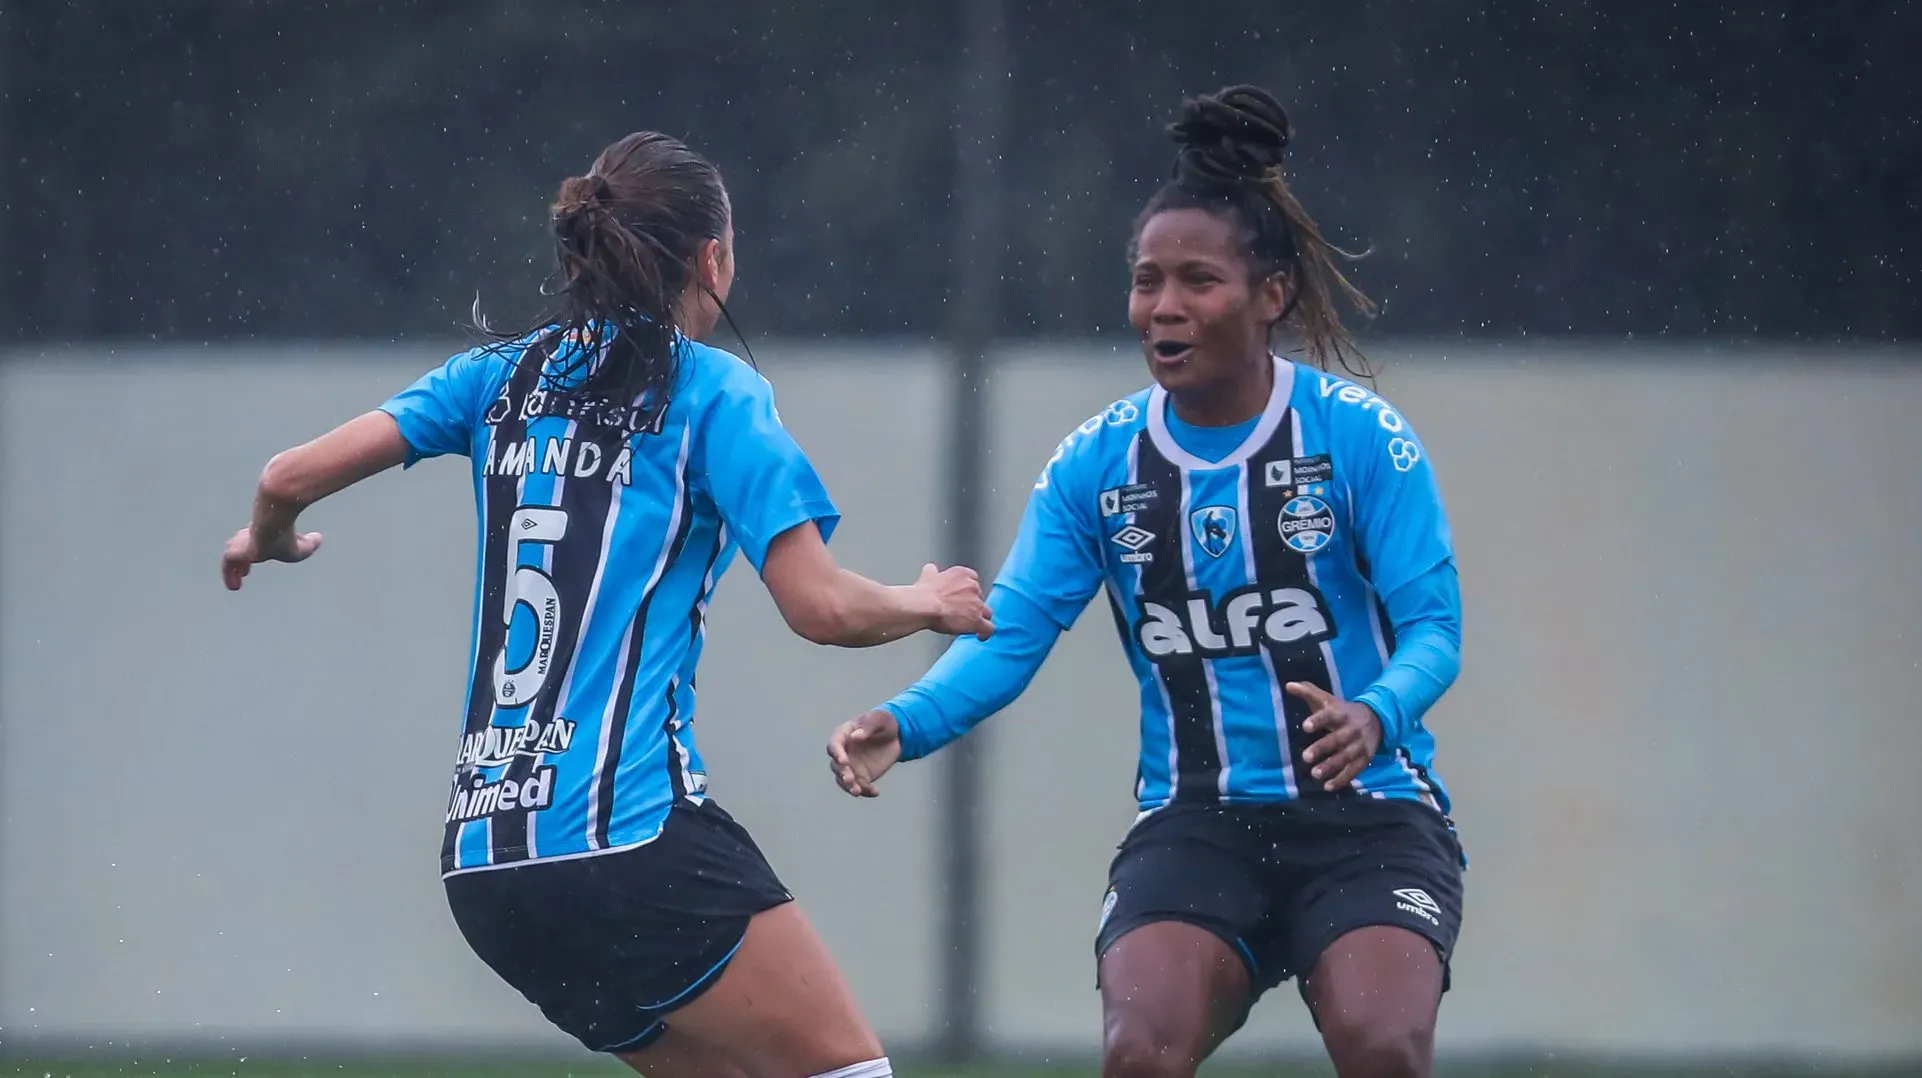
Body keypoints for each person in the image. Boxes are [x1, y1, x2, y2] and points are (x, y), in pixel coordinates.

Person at [221, 130, 992, 1078]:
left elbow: (288, 473)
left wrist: (267, 534)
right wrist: (921, 601)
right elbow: (821, 608)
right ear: (713, 258)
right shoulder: (716, 394)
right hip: (627, 835)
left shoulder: (498, 376)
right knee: (849, 1072)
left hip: (491, 864)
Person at [827, 86, 1465, 1078]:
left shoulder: (1358, 438)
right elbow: (1010, 633)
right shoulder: (1098, 463)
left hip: (1368, 817)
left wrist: (1373, 712)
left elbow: (1434, 630)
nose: (1162, 307)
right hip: (1197, 818)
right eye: (1144, 282)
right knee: (1139, 1052)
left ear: (1270, 295)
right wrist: (902, 722)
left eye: (1196, 281)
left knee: (1380, 1043)